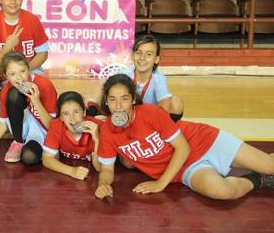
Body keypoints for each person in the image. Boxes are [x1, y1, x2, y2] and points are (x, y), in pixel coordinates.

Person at [94, 74, 274, 200]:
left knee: (269, 165)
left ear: (133, 99)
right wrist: (103, 184)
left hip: (202, 140)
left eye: (124, 99)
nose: (118, 106)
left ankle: (266, 168)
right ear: (106, 101)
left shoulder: (150, 113)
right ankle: (258, 180)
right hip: (182, 167)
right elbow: (107, 170)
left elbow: (183, 147)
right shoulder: (108, 131)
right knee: (223, 192)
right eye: (112, 99)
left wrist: (160, 183)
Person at [0, 51, 57, 165]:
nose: (19, 78)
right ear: (5, 75)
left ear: (28, 69)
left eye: (23, 71)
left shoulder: (45, 85)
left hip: (43, 131)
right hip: (22, 128)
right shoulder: (6, 90)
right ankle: (18, 142)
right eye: (12, 74)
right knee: (14, 94)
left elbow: (52, 126)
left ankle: (42, 148)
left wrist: (36, 101)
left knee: (28, 158)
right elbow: (2, 124)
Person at [120, 35, 184, 121]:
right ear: (132, 56)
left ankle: (167, 129)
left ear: (156, 59)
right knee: (100, 86)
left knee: (176, 103)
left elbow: (165, 102)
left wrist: (155, 120)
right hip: (127, 114)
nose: (142, 58)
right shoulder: (123, 75)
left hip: (150, 117)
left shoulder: (159, 77)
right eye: (139, 53)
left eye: (149, 54)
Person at [42, 91, 103, 180]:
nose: (72, 118)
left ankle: (94, 108)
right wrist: (71, 171)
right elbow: (47, 159)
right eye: (66, 114)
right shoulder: (56, 126)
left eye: (76, 112)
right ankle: (92, 107)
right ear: (61, 118)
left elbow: (99, 167)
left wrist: (97, 140)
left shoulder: (97, 127)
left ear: (84, 112)